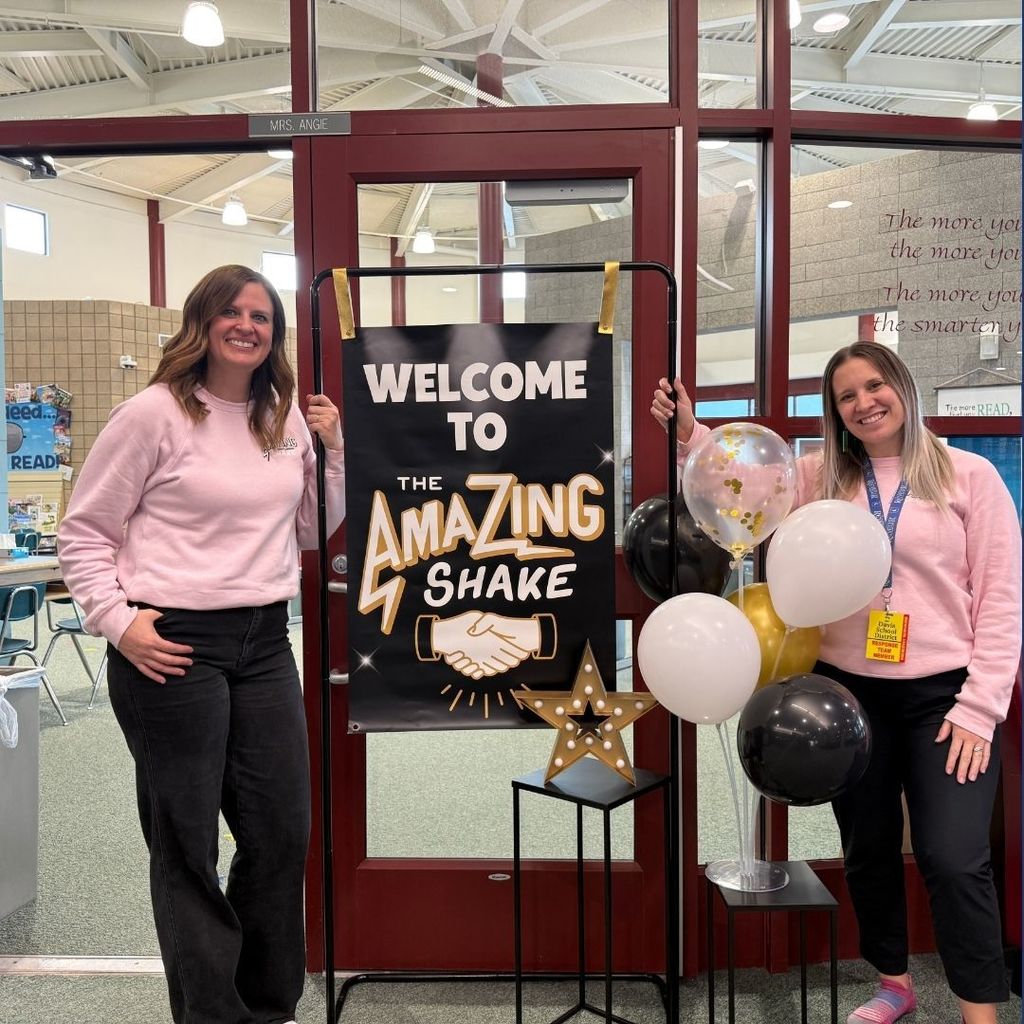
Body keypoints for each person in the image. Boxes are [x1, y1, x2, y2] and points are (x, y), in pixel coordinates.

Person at [652, 341, 1020, 1024]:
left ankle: (981, 1010)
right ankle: (893, 984)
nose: (864, 403)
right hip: (847, 693)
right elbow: (742, 486)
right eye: (847, 395)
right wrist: (691, 434)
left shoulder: (970, 478)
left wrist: (981, 707)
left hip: (947, 699)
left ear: (903, 388)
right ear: (835, 410)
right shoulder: (820, 475)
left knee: (953, 856)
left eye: (875, 386)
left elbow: (1000, 600)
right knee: (869, 845)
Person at [58, 264, 346, 1024]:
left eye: (263, 315)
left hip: (262, 643)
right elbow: (83, 534)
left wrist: (333, 451)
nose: (249, 325)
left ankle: (267, 1006)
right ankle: (213, 1016)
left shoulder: (282, 417)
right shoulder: (152, 414)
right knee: (188, 845)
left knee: (281, 832)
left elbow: (312, 529)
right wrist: (119, 625)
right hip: (171, 642)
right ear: (204, 321)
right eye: (234, 312)